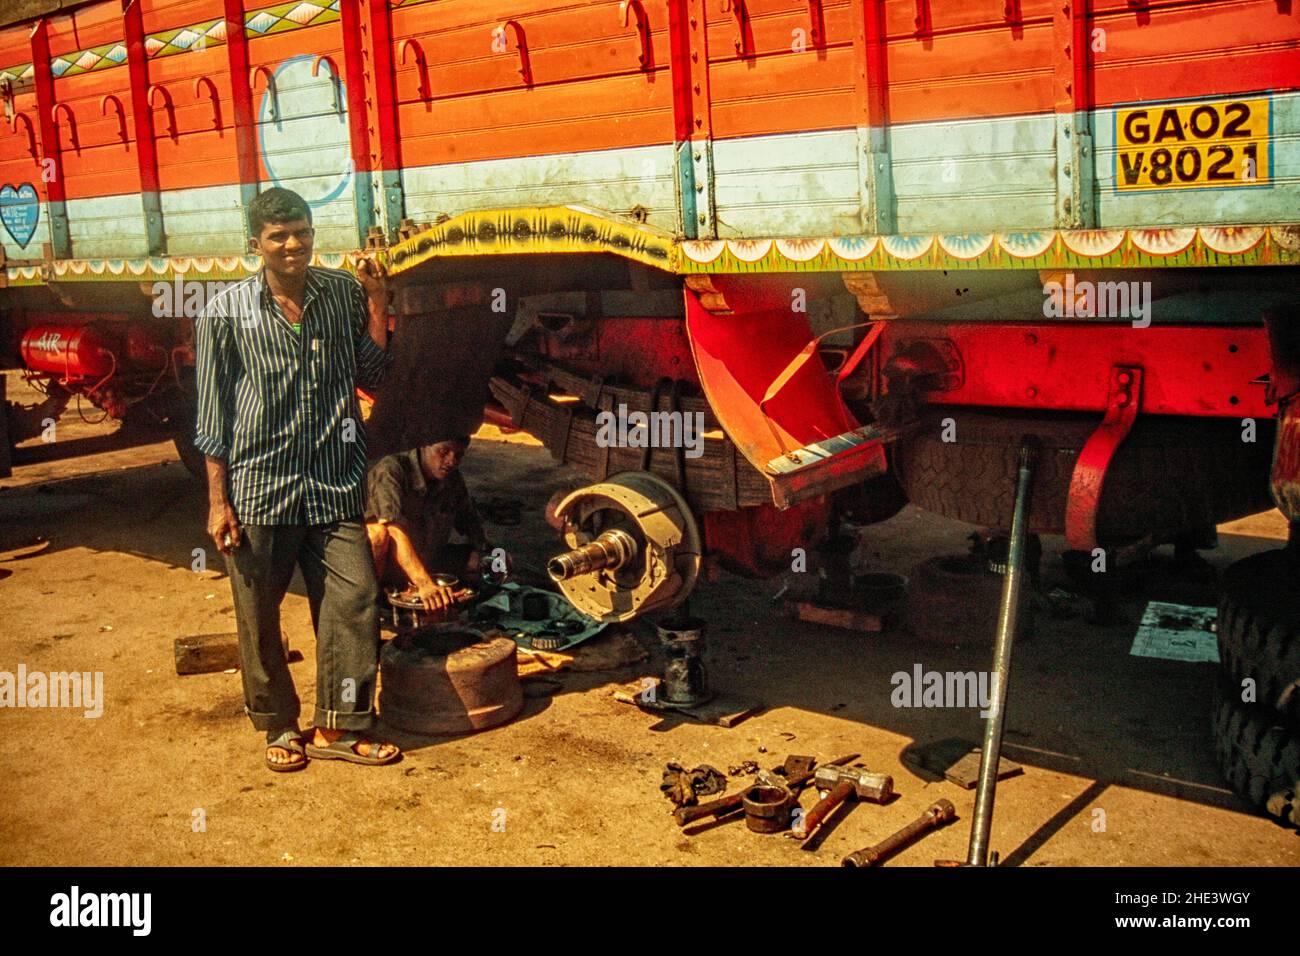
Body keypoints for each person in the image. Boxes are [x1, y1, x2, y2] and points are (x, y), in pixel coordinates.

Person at [195, 186, 401, 772]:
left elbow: (374, 372)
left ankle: (340, 726)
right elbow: (212, 420)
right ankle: (279, 726)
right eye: (279, 236)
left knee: (356, 597)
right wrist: (219, 503)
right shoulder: (224, 314)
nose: (293, 244)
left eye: (302, 232)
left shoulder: (340, 294)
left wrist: (378, 304)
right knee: (258, 612)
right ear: (255, 244)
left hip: (334, 484)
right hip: (260, 487)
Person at [364, 437, 492, 612]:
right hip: (387, 566)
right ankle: (372, 608)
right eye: (444, 451)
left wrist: (493, 555)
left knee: (484, 562)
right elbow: (393, 530)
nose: (451, 461)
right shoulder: (392, 470)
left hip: (428, 560)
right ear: (423, 444)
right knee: (377, 535)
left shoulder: (452, 479)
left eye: (459, 455)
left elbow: (472, 525)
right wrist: (424, 583)